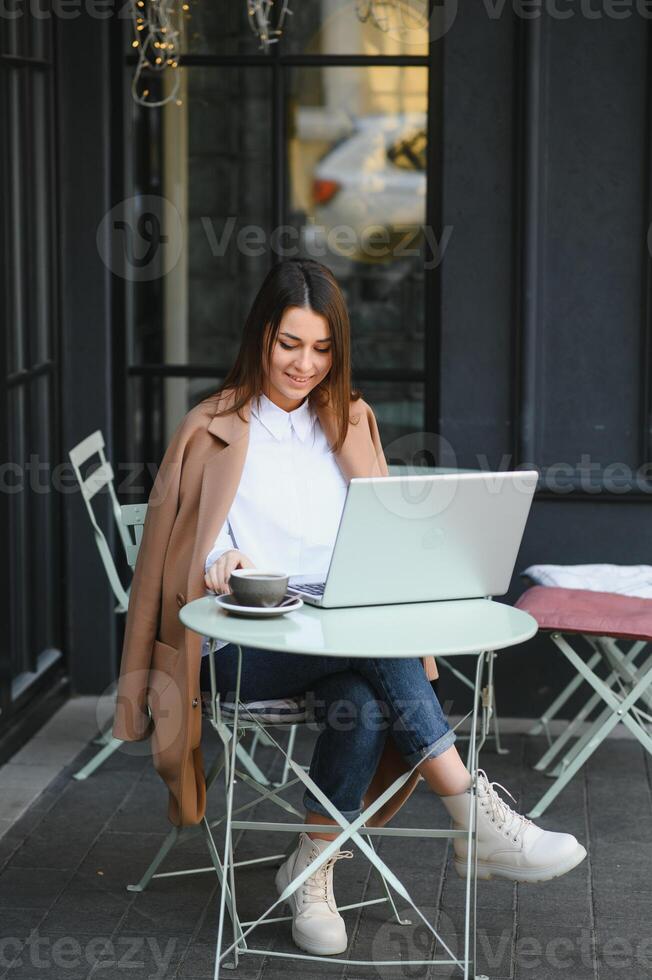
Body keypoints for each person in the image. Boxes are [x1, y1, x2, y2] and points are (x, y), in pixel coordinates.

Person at [198, 258, 587, 958]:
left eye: (322, 348)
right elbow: (188, 552)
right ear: (261, 335)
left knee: (366, 700)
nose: (304, 364)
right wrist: (217, 562)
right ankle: (473, 813)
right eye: (290, 343)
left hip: (338, 640)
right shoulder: (214, 427)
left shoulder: (348, 420)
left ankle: (311, 869)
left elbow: (381, 539)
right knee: (370, 640)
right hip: (242, 649)